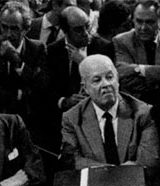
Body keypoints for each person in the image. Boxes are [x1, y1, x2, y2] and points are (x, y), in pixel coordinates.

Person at [59, 54, 160, 169]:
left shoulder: (142, 112)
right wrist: (111, 174)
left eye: (110, 77)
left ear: (117, 80)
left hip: (135, 180)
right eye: (97, 80)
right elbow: (73, 161)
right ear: (85, 87)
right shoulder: (72, 118)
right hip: (96, 180)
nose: (106, 84)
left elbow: (149, 161)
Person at [41, 6, 115, 150]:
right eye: (78, 30)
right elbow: (46, 89)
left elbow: (111, 84)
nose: (86, 33)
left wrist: (84, 62)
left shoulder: (104, 48)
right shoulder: (52, 51)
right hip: (64, 121)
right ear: (65, 31)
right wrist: (64, 101)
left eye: (87, 26)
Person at [0, 1, 46, 123]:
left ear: (26, 29)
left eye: (14, 29)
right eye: (4, 27)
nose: (8, 34)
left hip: (29, 117)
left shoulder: (37, 49)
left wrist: (17, 62)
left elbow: (40, 88)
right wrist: (18, 95)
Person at [114, 0, 160, 107]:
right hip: (135, 105)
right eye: (139, 21)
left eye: (150, 22)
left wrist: (139, 69)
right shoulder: (122, 41)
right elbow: (123, 77)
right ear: (132, 20)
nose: (143, 28)